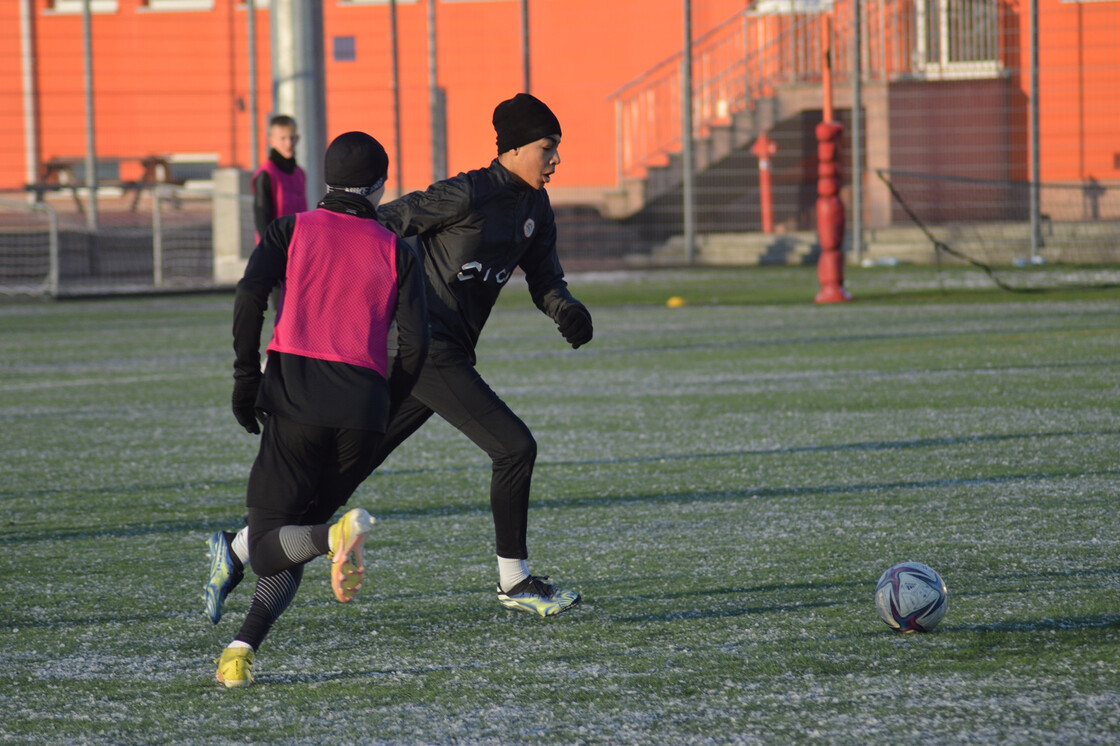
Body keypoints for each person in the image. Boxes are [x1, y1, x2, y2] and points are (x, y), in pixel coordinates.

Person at [206, 92, 593, 623]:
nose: (556, 160)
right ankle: (515, 580)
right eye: (548, 148)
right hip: (423, 350)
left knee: (332, 491)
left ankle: (239, 550)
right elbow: (379, 221)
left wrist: (565, 309)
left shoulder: (535, 209)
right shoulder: (466, 193)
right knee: (514, 448)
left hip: (418, 364)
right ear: (515, 149)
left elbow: (547, 279)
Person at [213, 130, 429, 688]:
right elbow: (418, 346)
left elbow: (248, 297)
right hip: (363, 413)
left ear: (327, 179)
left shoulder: (292, 228)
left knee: (269, 546)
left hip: (296, 398)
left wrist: (245, 379)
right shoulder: (397, 249)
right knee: (291, 539)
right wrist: (385, 399)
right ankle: (239, 653)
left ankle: (333, 538)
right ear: (380, 187)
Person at [252, 114, 307, 241]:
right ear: (271, 141)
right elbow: (262, 219)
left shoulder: (300, 173)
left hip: (299, 244)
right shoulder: (266, 174)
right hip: (276, 248)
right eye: (282, 138)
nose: (288, 143)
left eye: (292, 138)